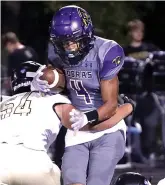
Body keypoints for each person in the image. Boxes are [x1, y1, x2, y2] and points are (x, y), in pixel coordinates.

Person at [31, 5, 134, 185]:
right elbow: (60, 86)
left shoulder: (106, 51)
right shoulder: (55, 53)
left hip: (107, 128)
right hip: (77, 130)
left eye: (73, 41)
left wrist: (87, 117)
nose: (68, 47)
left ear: (86, 35)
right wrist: (39, 81)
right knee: (72, 182)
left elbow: (110, 106)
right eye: (63, 42)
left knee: (96, 182)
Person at [0, 61, 133, 185]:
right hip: (33, 162)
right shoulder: (55, 100)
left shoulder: (3, 101)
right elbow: (94, 126)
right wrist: (127, 108)